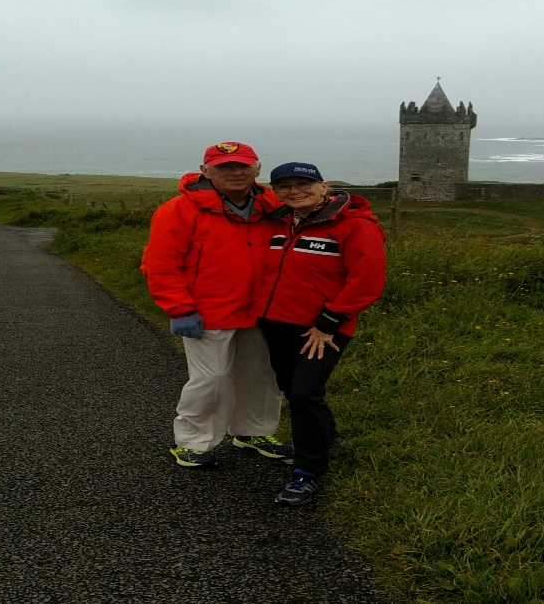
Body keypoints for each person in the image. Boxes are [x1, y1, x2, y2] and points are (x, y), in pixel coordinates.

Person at [141, 142, 293, 467]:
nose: (236, 172)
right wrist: (179, 308)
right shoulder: (178, 210)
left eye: (243, 165)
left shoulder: (272, 205)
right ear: (205, 171)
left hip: (264, 310)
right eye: (225, 167)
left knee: (261, 375)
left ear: (257, 169)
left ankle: (253, 431)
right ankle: (192, 441)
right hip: (208, 313)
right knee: (212, 380)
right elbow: (159, 265)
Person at [257, 162, 386, 506]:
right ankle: (327, 435)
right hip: (275, 322)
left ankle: (306, 473)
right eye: (284, 186)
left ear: (324, 186)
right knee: (290, 387)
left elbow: (367, 282)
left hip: (323, 329)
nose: (294, 191)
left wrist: (328, 322)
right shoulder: (281, 222)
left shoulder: (355, 227)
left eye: (304, 184)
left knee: (303, 394)